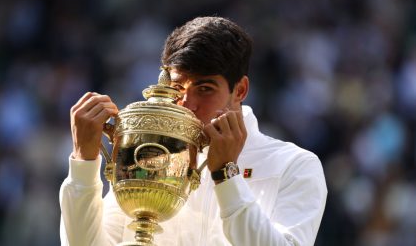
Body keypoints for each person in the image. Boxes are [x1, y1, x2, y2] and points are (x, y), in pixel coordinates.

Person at [60, 16, 327, 246]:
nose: (188, 105)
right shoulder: (151, 160)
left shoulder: (293, 166)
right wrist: (84, 162)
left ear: (240, 90)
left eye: (205, 89)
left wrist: (227, 175)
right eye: (178, 89)